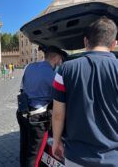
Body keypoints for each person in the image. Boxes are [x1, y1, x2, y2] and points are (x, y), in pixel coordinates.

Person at [52, 17, 118, 166]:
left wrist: (56, 141)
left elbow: (57, 114)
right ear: (113, 44)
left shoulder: (65, 69)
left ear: (85, 41)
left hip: (76, 157)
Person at [16, 46, 67, 167]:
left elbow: (22, 88)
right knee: (34, 156)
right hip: (38, 120)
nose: (61, 62)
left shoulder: (30, 67)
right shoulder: (53, 75)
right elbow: (62, 98)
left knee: (24, 148)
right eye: (60, 59)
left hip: (22, 114)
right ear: (55, 57)